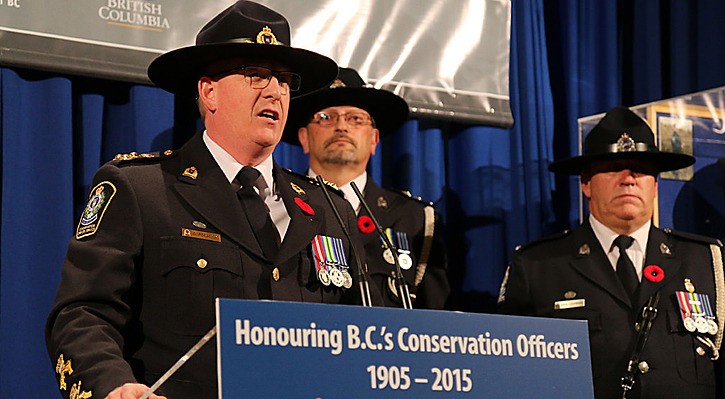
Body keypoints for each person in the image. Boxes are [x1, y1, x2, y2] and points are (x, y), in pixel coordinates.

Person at [45, 2, 378, 399]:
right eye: (256, 75)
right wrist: (113, 386)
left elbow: (362, 335)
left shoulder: (328, 209)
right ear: (209, 92)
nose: (275, 90)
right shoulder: (141, 189)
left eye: (284, 80)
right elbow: (83, 314)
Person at [498, 106, 725, 398]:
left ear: (654, 186)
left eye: (641, 171)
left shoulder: (704, 261)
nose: (629, 179)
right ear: (586, 184)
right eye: (613, 168)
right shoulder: (538, 266)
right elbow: (513, 374)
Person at [282, 67, 449, 309]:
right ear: (304, 138)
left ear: (374, 140)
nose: (341, 127)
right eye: (326, 117)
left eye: (355, 119)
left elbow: (435, 322)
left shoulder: (415, 219)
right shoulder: (280, 203)